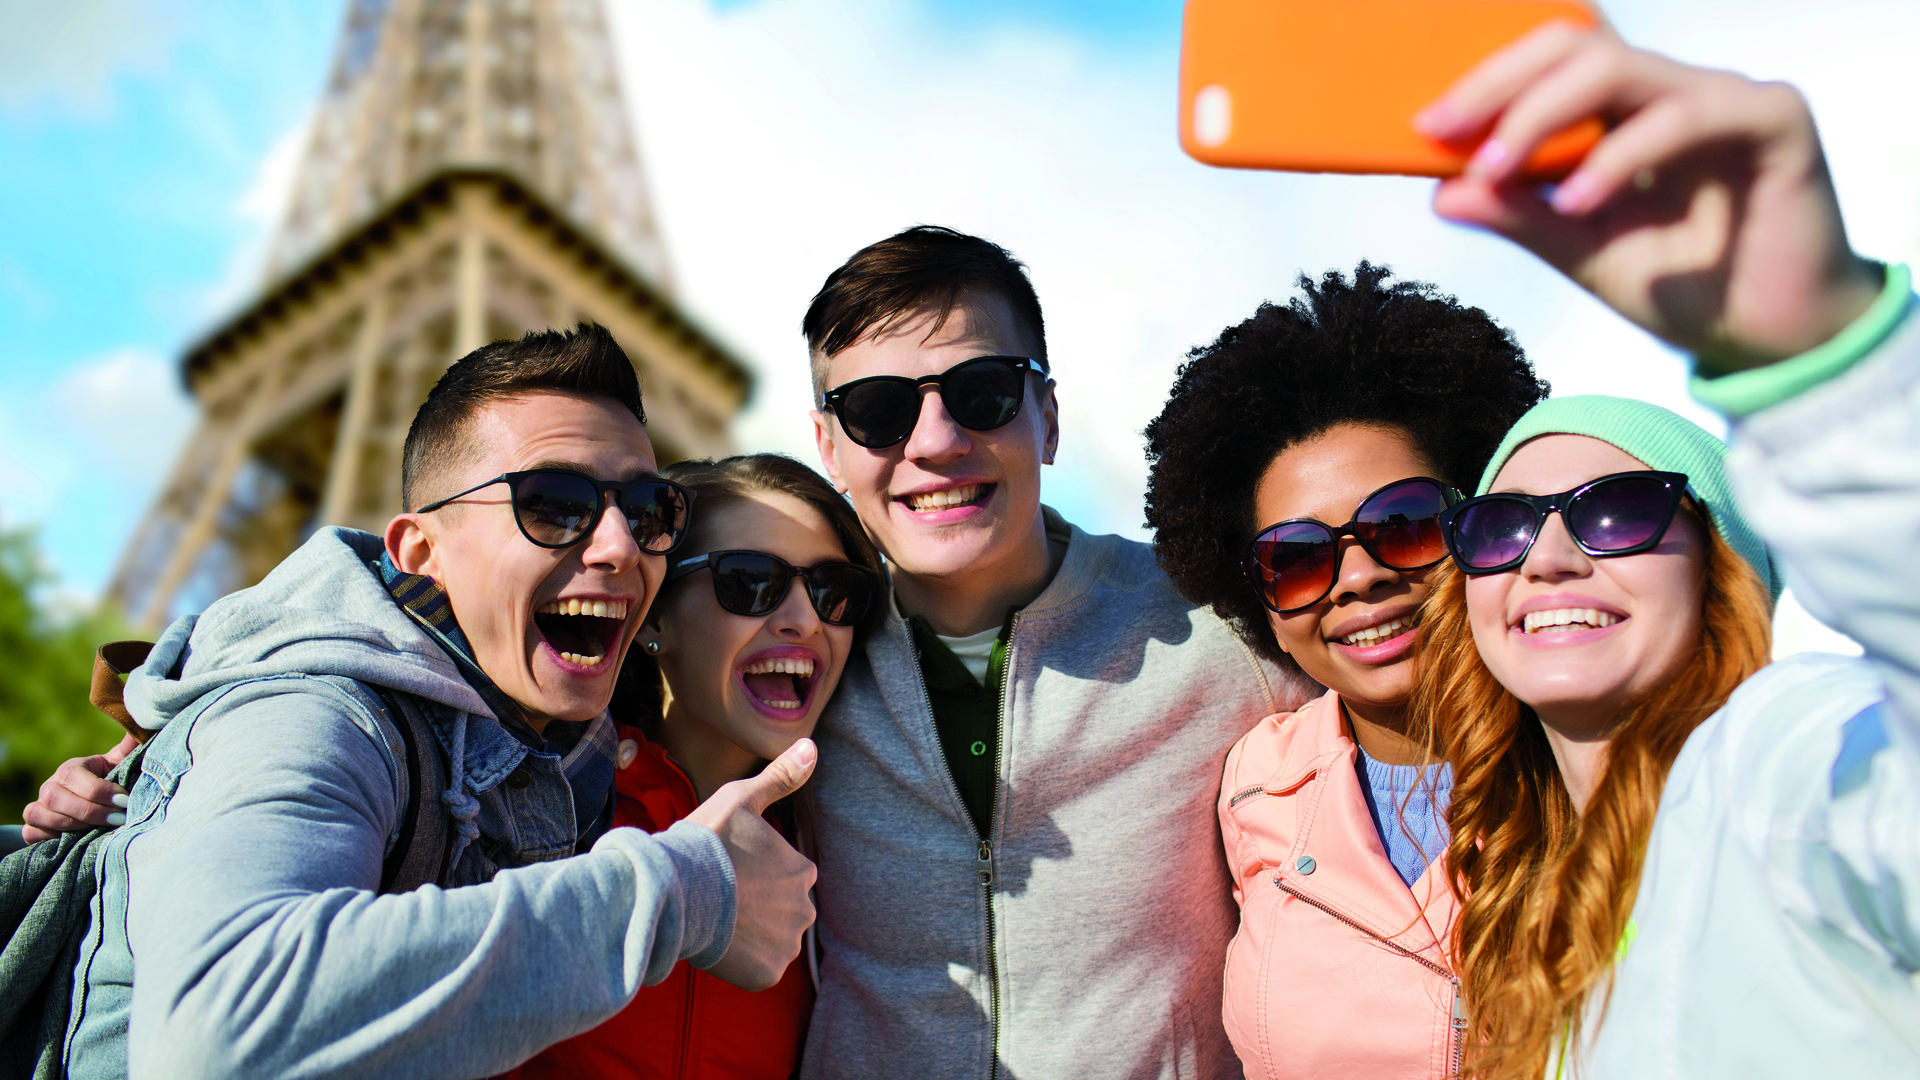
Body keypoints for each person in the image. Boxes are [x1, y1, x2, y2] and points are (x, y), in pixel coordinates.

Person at [53, 326, 818, 1079]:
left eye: (651, 510)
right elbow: (216, 1042)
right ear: (420, 551)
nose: (620, 545)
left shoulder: (565, 744)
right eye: (552, 502)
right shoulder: (311, 710)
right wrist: (682, 892)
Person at [1406, 22, 1919, 1078]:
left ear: (1724, 568)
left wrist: (1826, 364)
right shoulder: (1522, 900)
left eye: (1619, 509)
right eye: (1499, 526)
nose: (1547, 557)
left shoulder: (1793, 762)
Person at [801, 226, 1310, 1077]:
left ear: (1048, 419)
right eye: (878, 410)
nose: (933, 441)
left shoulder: (1221, 626)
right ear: (830, 451)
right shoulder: (795, 662)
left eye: (982, 391)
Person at [1142, 262, 1547, 1079]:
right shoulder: (1254, 785)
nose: (1358, 577)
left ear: (1481, 526)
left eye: (1405, 524)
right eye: (1295, 558)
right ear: (1263, 610)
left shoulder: (1614, 760)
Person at [506, 452, 883, 1080]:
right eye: (750, 581)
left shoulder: (838, 869)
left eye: (832, 591)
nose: (803, 619)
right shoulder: (528, 804)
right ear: (653, 616)